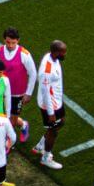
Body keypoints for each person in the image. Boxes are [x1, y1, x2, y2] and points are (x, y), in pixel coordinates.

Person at [0, 28, 37, 144]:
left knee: (12, 120)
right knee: (1, 117)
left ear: (18, 41)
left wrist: (28, 93)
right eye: (8, 42)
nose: (11, 45)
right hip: (1, 91)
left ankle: (9, 140)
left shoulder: (24, 54)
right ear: (4, 40)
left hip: (18, 93)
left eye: (13, 42)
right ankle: (19, 129)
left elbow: (33, 73)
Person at [32, 40, 66, 170]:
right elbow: (45, 92)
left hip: (56, 101)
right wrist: (50, 113)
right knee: (53, 130)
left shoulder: (52, 58)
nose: (65, 54)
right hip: (50, 105)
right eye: (63, 52)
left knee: (61, 122)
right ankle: (45, 158)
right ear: (56, 52)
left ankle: (40, 146)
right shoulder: (47, 70)